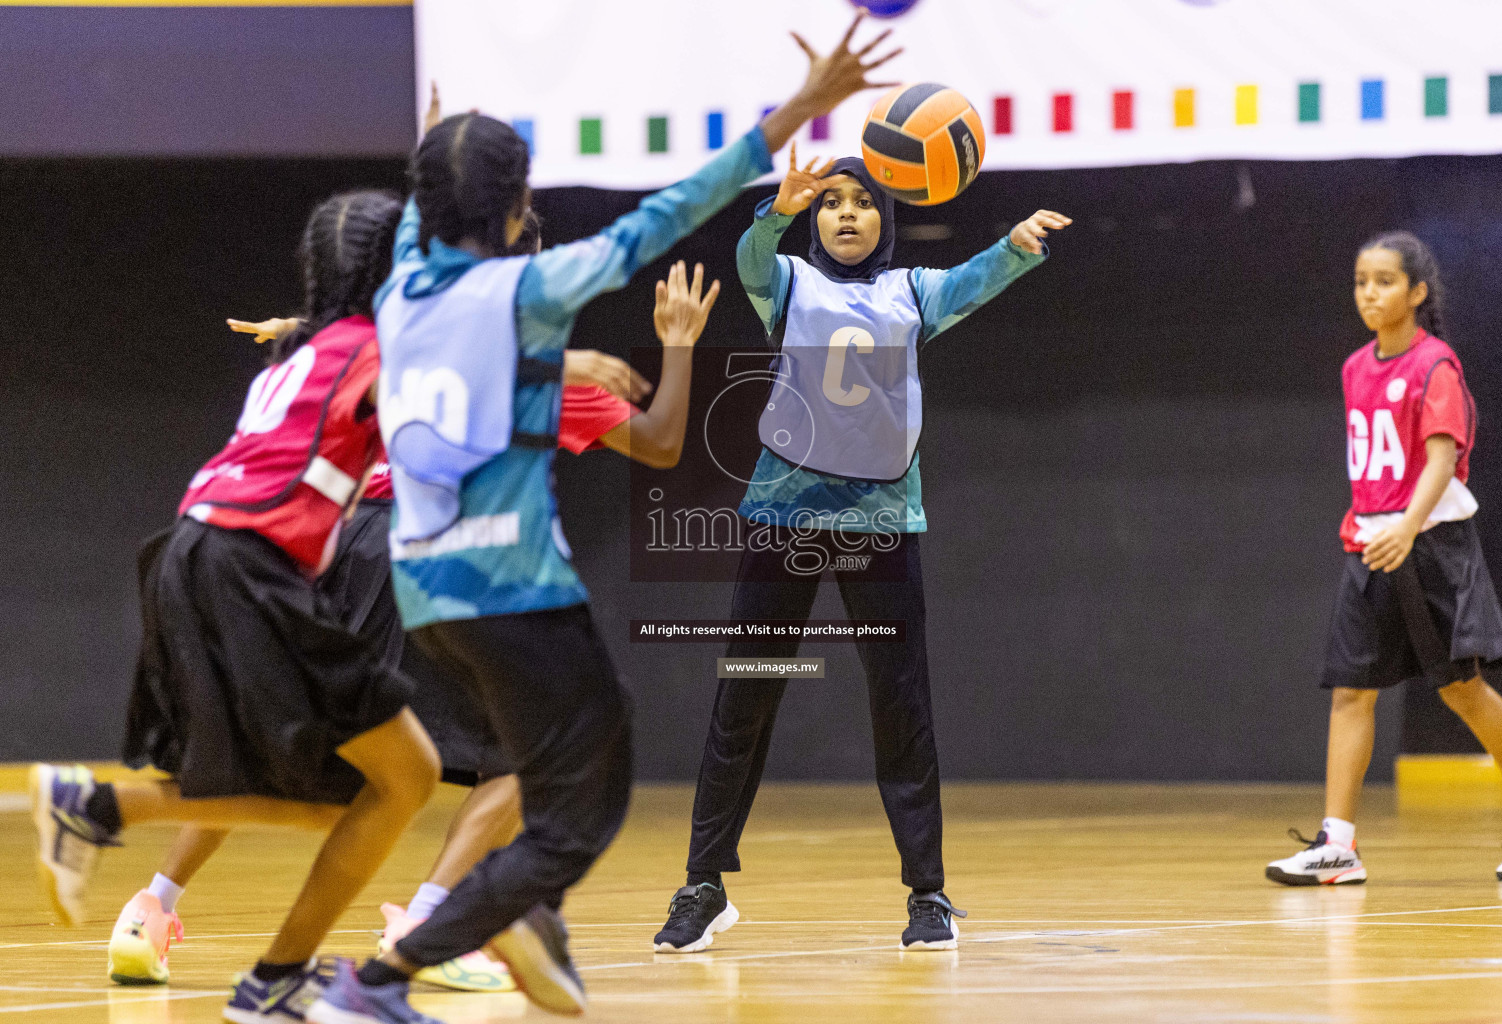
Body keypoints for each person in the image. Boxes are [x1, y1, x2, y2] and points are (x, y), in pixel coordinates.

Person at [302, 15, 902, 1023]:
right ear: (508, 212)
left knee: (567, 761)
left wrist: (438, 150)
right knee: (582, 803)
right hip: (512, 586)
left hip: (424, 586)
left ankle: (521, 924)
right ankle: (392, 974)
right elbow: (661, 219)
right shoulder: (525, 290)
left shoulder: (403, 288)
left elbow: (421, 213)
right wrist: (800, 109)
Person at [106, 247, 716, 997]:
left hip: (338, 540)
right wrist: (680, 345)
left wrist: (298, 328)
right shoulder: (545, 369)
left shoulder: (420, 341)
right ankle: (428, 923)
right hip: (432, 550)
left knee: (275, 744)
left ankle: (149, 909)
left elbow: (368, 335)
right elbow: (660, 442)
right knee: (533, 752)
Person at [31, 191, 448, 1024]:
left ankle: (113, 821)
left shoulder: (305, 349)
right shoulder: (375, 349)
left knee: (345, 791)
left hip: (193, 548)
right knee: (407, 776)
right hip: (249, 564)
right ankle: (273, 974)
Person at [650, 149, 1071, 954]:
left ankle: (929, 895)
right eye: (832, 202)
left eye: (863, 202)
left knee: (900, 705)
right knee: (744, 700)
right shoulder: (786, 284)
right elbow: (748, 256)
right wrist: (776, 210)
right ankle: (703, 883)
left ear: (886, 218)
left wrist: (1016, 244)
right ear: (815, 219)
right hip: (783, 516)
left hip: (881, 523)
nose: (846, 213)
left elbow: (975, 279)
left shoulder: (912, 291)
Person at [1265, 231, 1502, 886]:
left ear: (1416, 292)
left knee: (1463, 690)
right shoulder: (1356, 367)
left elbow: (1442, 459)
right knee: (1351, 692)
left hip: (1431, 543)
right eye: (1361, 280)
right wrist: (1373, 527)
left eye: (1384, 281)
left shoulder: (1435, 365)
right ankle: (1339, 845)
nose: (1369, 293)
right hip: (1372, 544)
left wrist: (1408, 528)